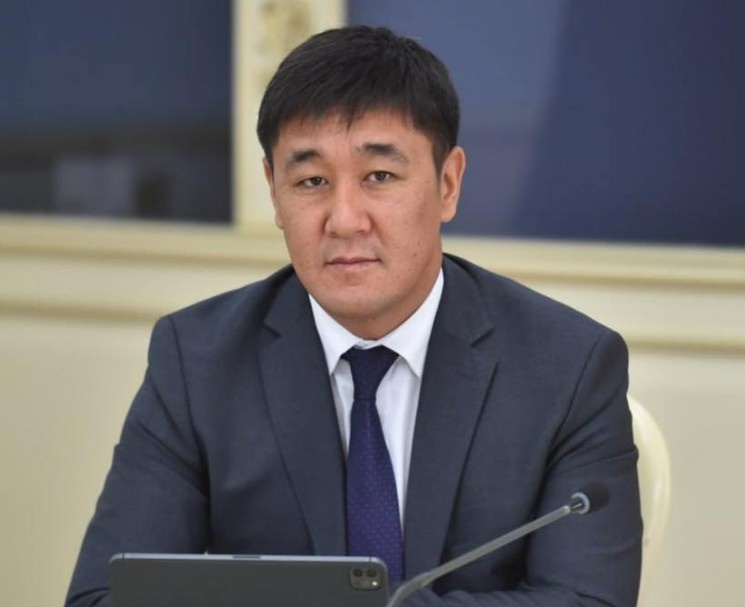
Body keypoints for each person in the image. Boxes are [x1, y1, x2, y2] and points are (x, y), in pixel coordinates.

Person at [66, 25, 642, 607]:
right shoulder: (197, 363)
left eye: (379, 177)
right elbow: (101, 597)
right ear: (274, 191)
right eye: (311, 181)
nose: (344, 220)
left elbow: (589, 601)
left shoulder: (568, 368)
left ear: (447, 184)